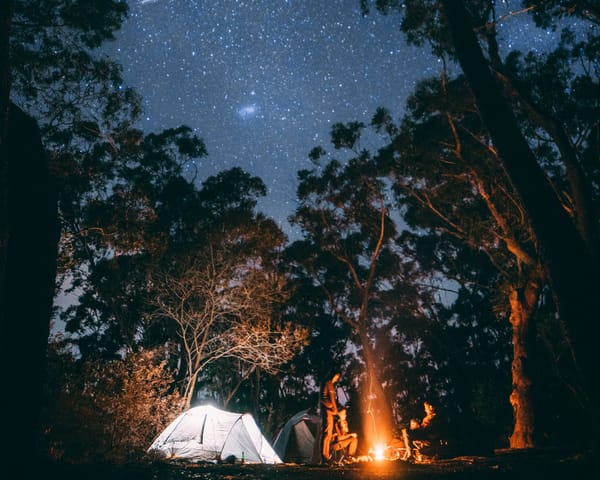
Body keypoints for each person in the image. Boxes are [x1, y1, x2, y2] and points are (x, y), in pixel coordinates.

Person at [320, 370, 341, 464]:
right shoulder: (326, 383)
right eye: (336, 376)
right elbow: (323, 397)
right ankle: (324, 457)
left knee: (329, 435)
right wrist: (331, 407)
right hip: (327, 412)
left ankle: (327, 456)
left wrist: (336, 410)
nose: (337, 379)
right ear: (333, 375)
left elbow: (333, 399)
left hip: (332, 412)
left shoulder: (332, 386)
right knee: (326, 434)